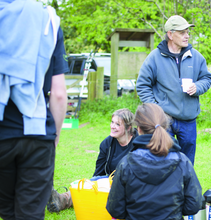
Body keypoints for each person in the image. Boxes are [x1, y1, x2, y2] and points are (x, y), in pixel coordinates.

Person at [0, 0, 68, 219]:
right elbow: (58, 93)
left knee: (7, 212)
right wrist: (54, 137)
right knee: (30, 214)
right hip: (38, 133)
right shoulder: (48, 21)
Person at [136, 15, 211, 165]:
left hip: (189, 120)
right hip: (165, 120)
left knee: (187, 162)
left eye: (188, 32)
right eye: (182, 32)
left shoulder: (196, 57)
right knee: (163, 159)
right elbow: (142, 85)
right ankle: (164, 187)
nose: (187, 35)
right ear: (170, 34)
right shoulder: (154, 58)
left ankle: (185, 187)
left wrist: (197, 87)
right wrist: (156, 109)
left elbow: (206, 79)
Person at [107, 103, 202, 220]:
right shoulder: (183, 161)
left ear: (139, 129)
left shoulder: (126, 163)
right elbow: (193, 205)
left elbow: (115, 209)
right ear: (165, 126)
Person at [47, 108, 138, 213]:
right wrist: (94, 185)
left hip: (132, 184)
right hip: (111, 181)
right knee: (90, 183)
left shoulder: (138, 143)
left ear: (128, 128)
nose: (112, 126)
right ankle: (62, 199)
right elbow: (99, 172)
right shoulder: (106, 144)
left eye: (117, 124)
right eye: (112, 122)